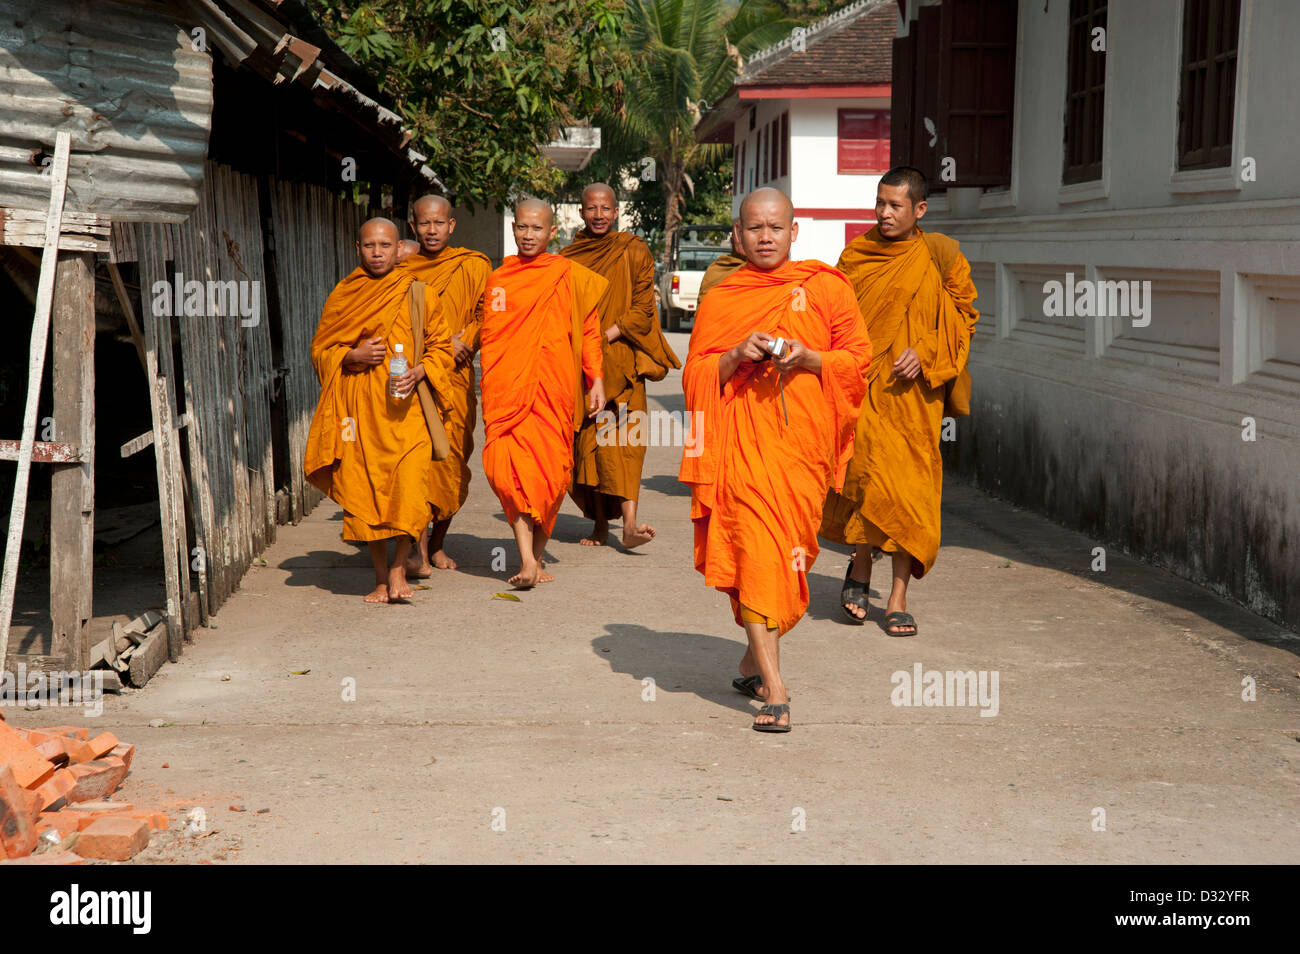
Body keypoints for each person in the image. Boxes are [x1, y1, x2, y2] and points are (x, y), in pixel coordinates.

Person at [679, 188, 872, 732]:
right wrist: (736, 354)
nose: (765, 237)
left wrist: (812, 359)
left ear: (794, 232)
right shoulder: (722, 297)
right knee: (758, 552)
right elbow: (696, 376)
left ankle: (750, 659)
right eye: (754, 229)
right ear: (737, 236)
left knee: (788, 559)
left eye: (775, 228)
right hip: (742, 448)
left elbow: (859, 361)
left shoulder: (826, 288)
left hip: (802, 449)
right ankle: (777, 689)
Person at [821, 166, 979, 636]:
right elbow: (835, 318)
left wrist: (926, 352)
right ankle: (863, 562)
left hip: (914, 396)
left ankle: (898, 596)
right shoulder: (856, 256)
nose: (884, 213)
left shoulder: (943, 256)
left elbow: (966, 318)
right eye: (879, 203)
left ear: (919, 210)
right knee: (867, 481)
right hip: (867, 387)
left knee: (910, 493)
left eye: (895, 206)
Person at [304, 217, 454, 603]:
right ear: (358, 249)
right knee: (364, 490)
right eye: (369, 246)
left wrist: (422, 369)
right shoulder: (345, 293)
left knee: (409, 487)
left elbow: (441, 346)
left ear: (398, 249)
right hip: (360, 411)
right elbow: (321, 349)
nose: (377, 253)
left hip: (408, 411)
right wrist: (351, 355)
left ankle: (401, 567)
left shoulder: (419, 293)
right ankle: (381, 579)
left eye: (385, 246)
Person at [480, 198, 607, 587]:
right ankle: (526, 560)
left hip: (554, 389)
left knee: (551, 475)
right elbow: (492, 334)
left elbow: (588, 330)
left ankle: (534, 558)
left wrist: (596, 379)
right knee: (508, 474)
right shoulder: (500, 279)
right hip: (507, 391)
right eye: (522, 227)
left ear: (553, 232)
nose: (528, 235)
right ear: (513, 228)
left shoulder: (568, 275)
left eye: (537, 229)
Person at [559, 182, 680, 548]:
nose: (599, 215)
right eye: (592, 208)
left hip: (622, 360)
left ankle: (628, 525)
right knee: (588, 447)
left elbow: (643, 309)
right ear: (581, 212)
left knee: (625, 444)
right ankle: (598, 525)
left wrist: (605, 335)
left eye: (606, 208)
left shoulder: (633, 250)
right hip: (582, 365)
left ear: (616, 212)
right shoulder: (568, 257)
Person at [401, 195, 491, 574]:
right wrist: (436, 343)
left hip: (454, 378)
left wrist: (467, 340)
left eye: (439, 223)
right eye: (424, 223)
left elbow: (487, 312)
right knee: (417, 460)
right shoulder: (403, 267)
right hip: (415, 377)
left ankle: (438, 543)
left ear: (452, 226)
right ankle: (417, 549)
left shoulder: (472, 265)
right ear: (413, 226)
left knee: (451, 460)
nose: (432, 230)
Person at [698, 229, 747, 298]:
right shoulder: (716, 270)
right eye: (739, 237)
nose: (741, 242)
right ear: (732, 241)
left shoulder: (762, 272)